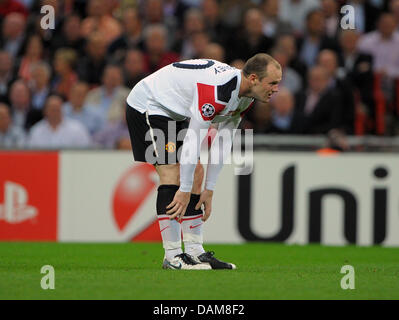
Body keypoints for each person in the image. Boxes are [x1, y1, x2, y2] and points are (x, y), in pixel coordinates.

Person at [125, 53, 282, 270]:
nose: (276, 89)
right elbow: (193, 141)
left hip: (174, 112)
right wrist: (185, 189)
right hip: (149, 104)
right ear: (254, 78)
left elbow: (223, 143)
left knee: (197, 173)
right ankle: (172, 256)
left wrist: (209, 189)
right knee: (171, 171)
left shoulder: (245, 98)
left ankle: (195, 252)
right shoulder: (217, 91)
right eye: (272, 83)